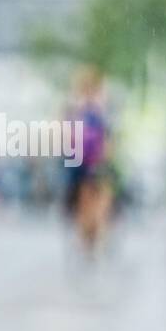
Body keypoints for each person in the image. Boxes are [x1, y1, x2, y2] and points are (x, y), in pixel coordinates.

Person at [64, 67, 112, 256]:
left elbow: (65, 136)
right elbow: (107, 139)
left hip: (75, 161)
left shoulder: (74, 108)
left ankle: (83, 236)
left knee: (82, 202)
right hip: (96, 162)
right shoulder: (100, 109)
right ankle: (95, 235)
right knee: (101, 198)